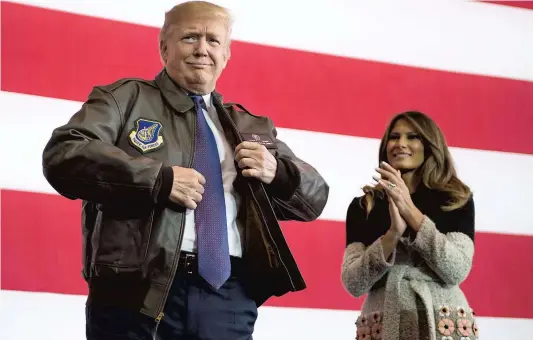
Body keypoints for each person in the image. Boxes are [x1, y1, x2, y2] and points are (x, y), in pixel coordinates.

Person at [41, 2, 329, 339]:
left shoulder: (247, 124)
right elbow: (64, 154)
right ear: (164, 47)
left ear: (227, 53)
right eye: (190, 37)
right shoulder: (125, 99)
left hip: (228, 295)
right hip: (136, 292)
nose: (202, 49)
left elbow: (315, 199)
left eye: (213, 40)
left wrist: (277, 172)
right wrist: (159, 180)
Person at [341, 111, 479, 340]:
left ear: (430, 145)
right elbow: (353, 283)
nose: (400, 144)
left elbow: (456, 270)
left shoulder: (455, 198)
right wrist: (393, 234)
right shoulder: (364, 205)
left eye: (412, 137)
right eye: (394, 137)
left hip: (441, 322)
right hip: (384, 323)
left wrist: (411, 213)